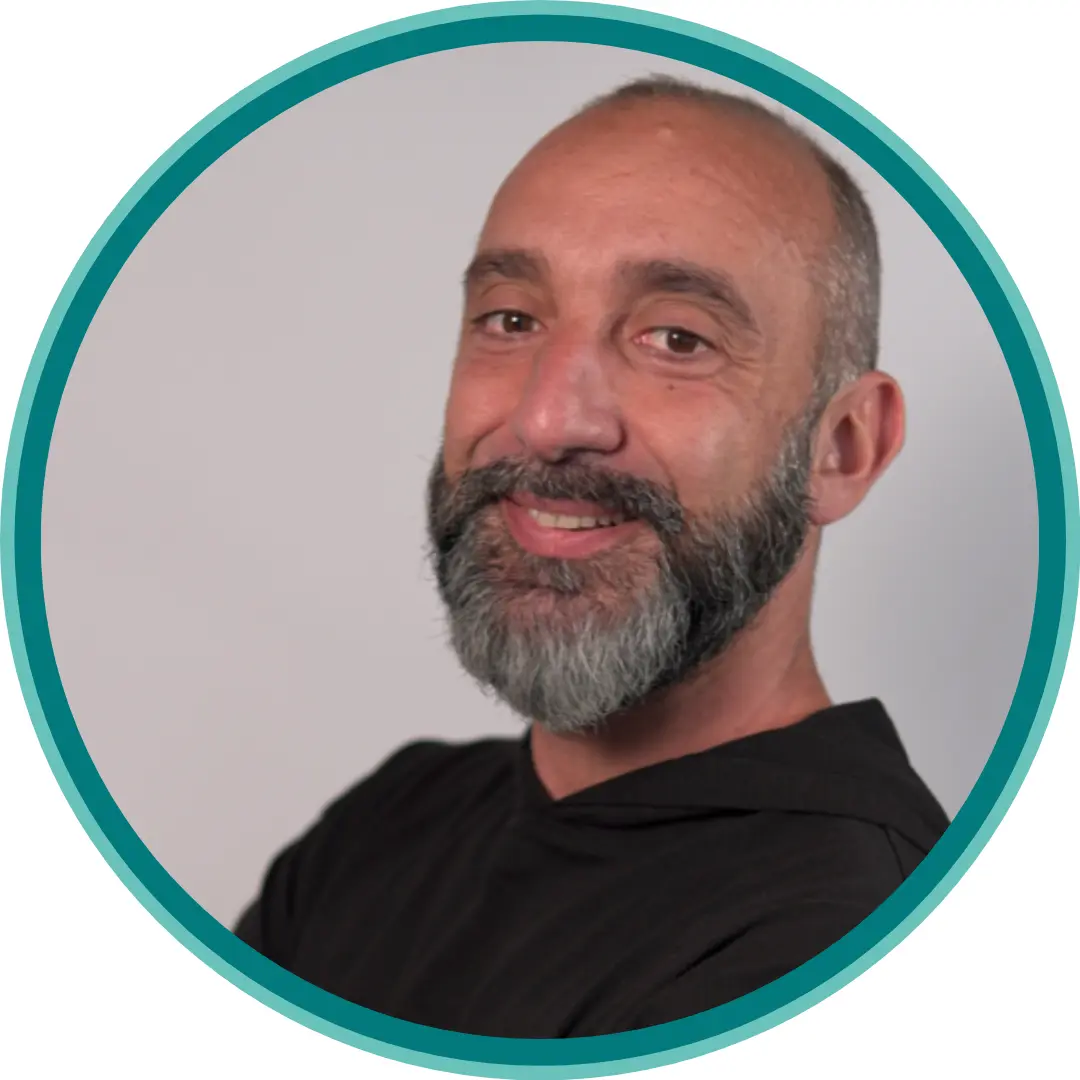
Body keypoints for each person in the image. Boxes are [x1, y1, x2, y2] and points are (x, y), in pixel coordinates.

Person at [235, 75, 949, 1038]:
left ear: (844, 447)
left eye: (676, 338)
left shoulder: (845, 951)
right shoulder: (391, 822)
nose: (547, 418)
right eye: (512, 320)